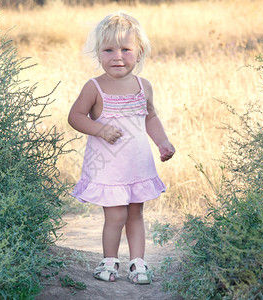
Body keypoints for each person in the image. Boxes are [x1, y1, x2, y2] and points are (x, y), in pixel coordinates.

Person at [68, 11, 175, 284]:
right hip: (109, 167)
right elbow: (76, 117)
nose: (117, 56)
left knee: (136, 214)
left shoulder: (143, 86)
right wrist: (101, 129)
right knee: (116, 215)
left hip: (136, 164)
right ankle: (109, 260)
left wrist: (162, 142)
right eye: (109, 50)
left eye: (126, 49)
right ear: (99, 54)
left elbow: (150, 117)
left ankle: (138, 263)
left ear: (139, 53)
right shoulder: (94, 87)